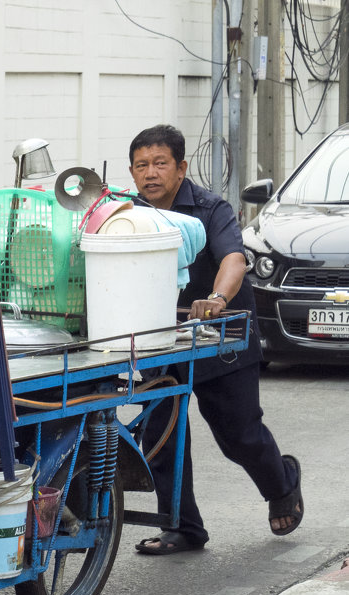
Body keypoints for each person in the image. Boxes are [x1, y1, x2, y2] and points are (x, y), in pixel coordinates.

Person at [127, 124, 303, 555]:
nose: (150, 173)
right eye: (141, 165)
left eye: (160, 163)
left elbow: (234, 258)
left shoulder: (210, 208)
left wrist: (217, 297)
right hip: (163, 334)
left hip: (221, 334)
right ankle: (184, 527)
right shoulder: (129, 214)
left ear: (181, 167)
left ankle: (281, 483)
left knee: (238, 433)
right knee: (161, 432)